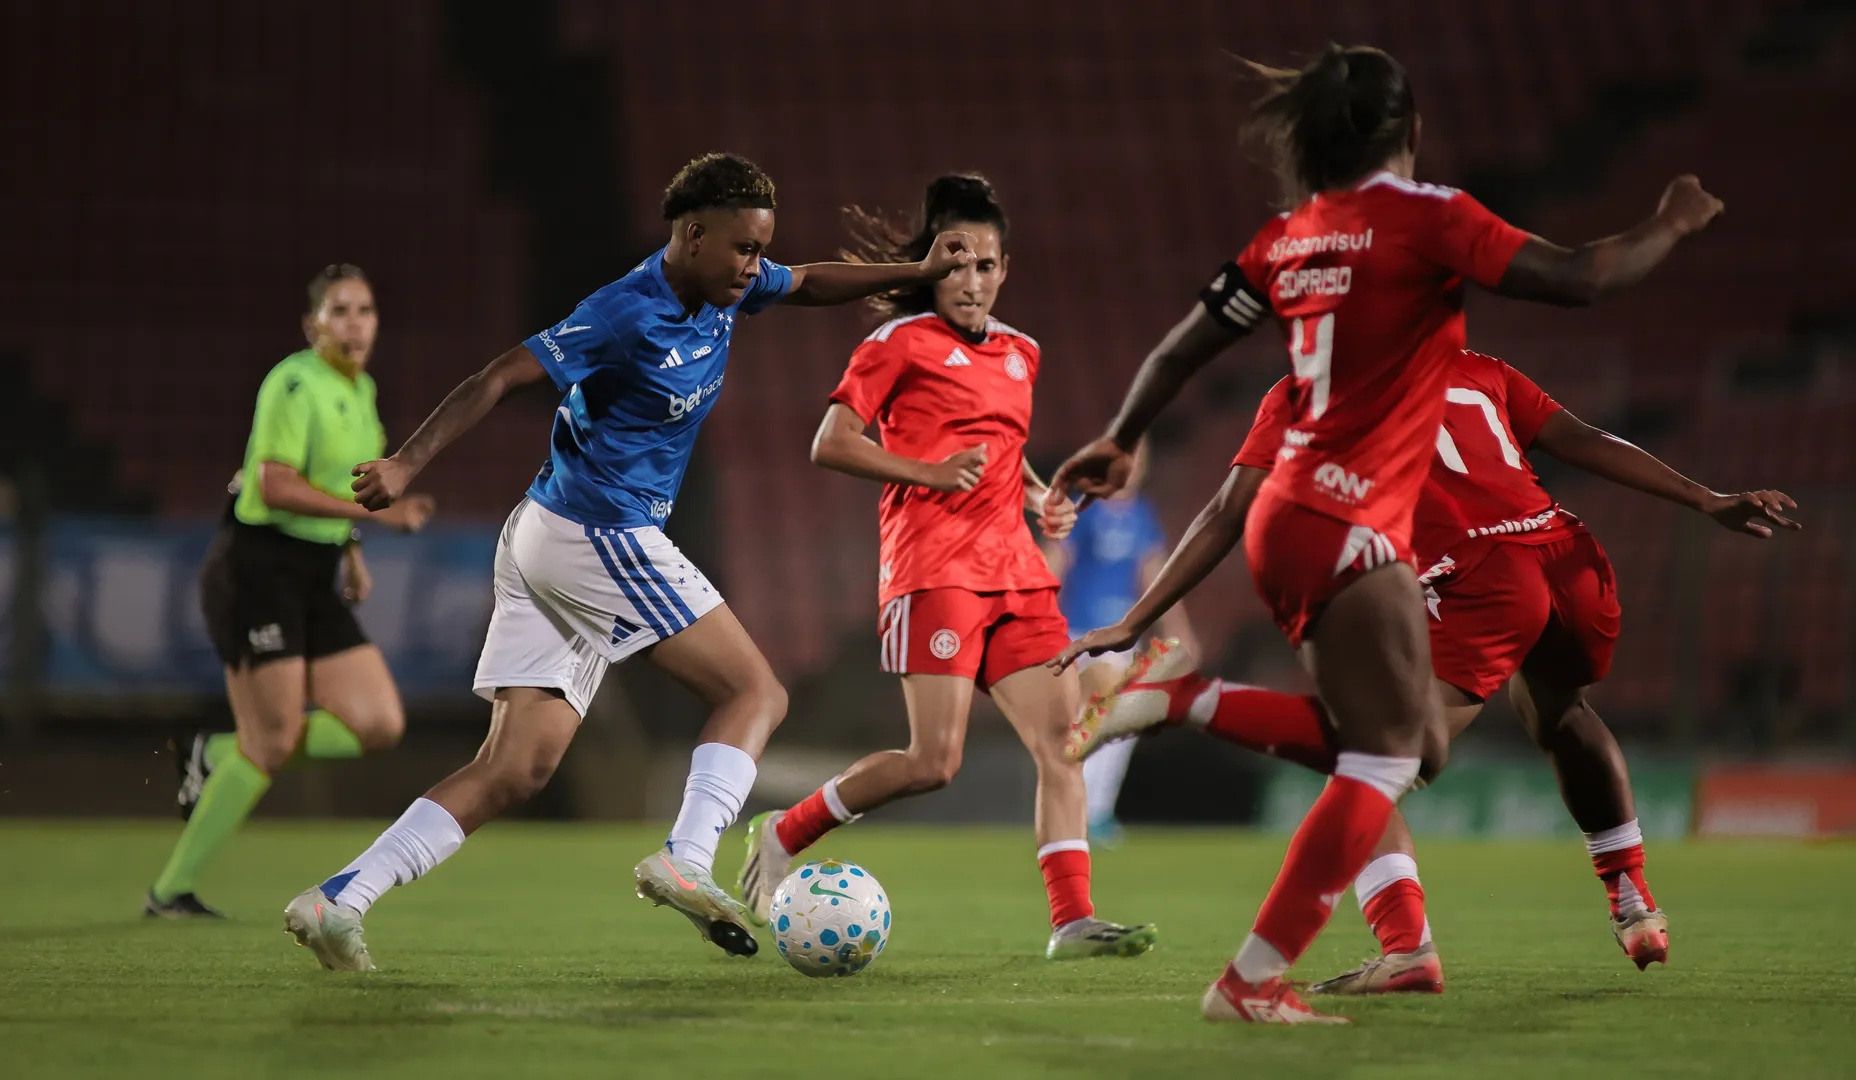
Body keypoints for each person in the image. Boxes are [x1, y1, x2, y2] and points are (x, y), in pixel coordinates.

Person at [1045, 45, 1722, 1023]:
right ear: (1410, 133)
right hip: (1346, 514)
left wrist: (1122, 435)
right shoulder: (1429, 217)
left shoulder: (1286, 236)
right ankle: (1184, 727)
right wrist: (1669, 222)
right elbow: (1580, 279)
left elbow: (1180, 344)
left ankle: (1268, 948)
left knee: (1397, 754)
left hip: (1300, 512)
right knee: (1390, 755)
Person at [281, 153, 979, 971]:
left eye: (762, 251)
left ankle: (338, 900)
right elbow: (499, 375)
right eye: (745, 250)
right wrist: (406, 462)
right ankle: (687, 856)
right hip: (595, 532)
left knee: (514, 768)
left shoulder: (729, 286)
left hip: (552, 533)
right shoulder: (624, 311)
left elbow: (811, 282)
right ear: (692, 234)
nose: (757, 268)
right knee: (754, 691)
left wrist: (915, 272)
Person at [1057, 349, 1798, 994]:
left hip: (1482, 574)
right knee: (1560, 709)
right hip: (1571, 558)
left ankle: (1401, 945)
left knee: (1373, 758)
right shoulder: (1479, 368)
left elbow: (1226, 511)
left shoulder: (1304, 390)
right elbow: (1584, 438)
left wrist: (1134, 619)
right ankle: (1633, 901)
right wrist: (1705, 497)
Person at [736, 175, 1158, 960]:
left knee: (1066, 743)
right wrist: (931, 474)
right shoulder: (896, 344)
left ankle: (1071, 921)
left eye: (986, 265)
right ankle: (786, 827)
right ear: (931, 266)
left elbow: (1002, 447)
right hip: (933, 572)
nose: (971, 280)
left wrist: (1037, 499)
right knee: (934, 763)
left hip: (1018, 572)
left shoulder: (1023, 352)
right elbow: (830, 442)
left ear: (1006, 269)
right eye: (956, 262)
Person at [146, 264, 434, 918]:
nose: (355, 322)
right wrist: (373, 517)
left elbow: (340, 483)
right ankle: (170, 892)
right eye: (340, 310)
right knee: (272, 742)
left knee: (379, 723)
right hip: (256, 569)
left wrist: (352, 552)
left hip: (313, 572)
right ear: (314, 324)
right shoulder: (294, 381)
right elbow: (274, 486)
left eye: (364, 309)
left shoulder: (361, 392)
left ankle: (212, 751)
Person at [1040, 437, 1200, 843]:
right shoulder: (1084, 508)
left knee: (1110, 726)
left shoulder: (1142, 516)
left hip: (1124, 635)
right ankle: (1086, 811)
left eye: (1137, 458)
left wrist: (1179, 631)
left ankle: (1089, 811)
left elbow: (1155, 579)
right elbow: (1055, 562)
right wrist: (1036, 616)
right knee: (1104, 719)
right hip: (1080, 631)